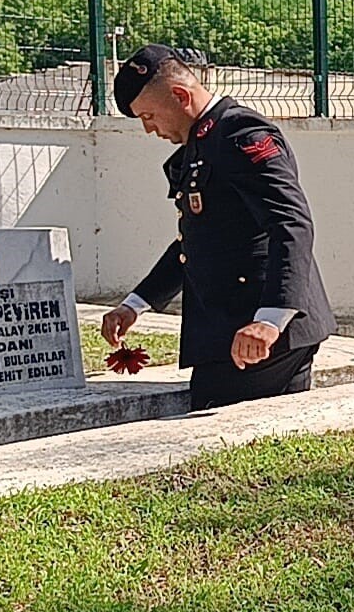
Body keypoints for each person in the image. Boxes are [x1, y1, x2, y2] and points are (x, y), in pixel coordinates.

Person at [100, 44, 337, 410]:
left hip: (258, 334)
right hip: (235, 329)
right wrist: (135, 305)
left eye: (148, 116)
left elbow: (291, 224)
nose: (149, 129)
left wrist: (270, 319)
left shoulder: (240, 134)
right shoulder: (205, 142)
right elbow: (196, 241)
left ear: (180, 95)